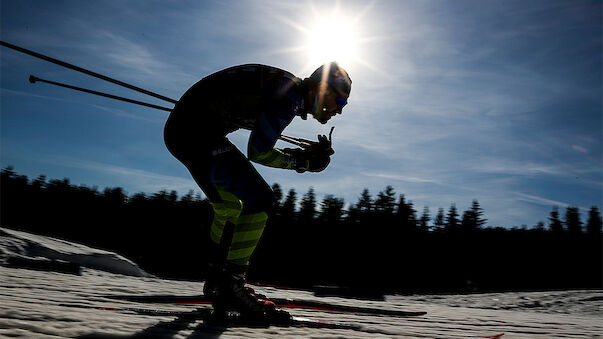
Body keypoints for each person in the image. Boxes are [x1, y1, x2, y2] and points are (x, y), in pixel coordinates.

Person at [164, 62, 351, 319]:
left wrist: (299, 156)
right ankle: (229, 283)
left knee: (229, 207)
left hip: (187, 132)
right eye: (339, 99)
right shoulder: (289, 96)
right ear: (321, 88)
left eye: (344, 104)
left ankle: (220, 279)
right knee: (261, 200)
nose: (339, 110)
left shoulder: (289, 91)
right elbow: (258, 152)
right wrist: (302, 162)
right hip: (197, 134)